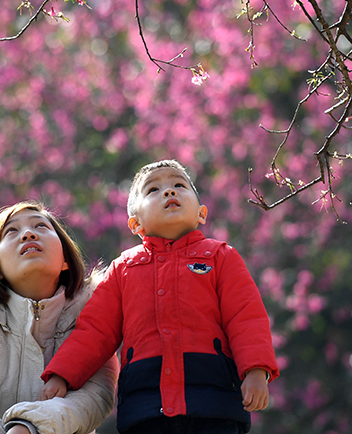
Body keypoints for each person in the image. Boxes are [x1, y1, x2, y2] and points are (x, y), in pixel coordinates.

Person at [40, 160, 279, 434]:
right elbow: (94, 330)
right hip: (145, 407)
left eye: (179, 185)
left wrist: (256, 370)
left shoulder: (220, 257)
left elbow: (246, 317)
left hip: (215, 404)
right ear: (135, 223)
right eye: (153, 190)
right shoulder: (123, 268)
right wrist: (62, 374)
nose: (169, 192)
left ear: (201, 213)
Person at [0, 201, 118, 434]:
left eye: (41, 226)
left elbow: (94, 397)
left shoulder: (93, 320)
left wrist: (30, 427)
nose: (28, 234)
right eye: (11, 231)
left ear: (65, 260)